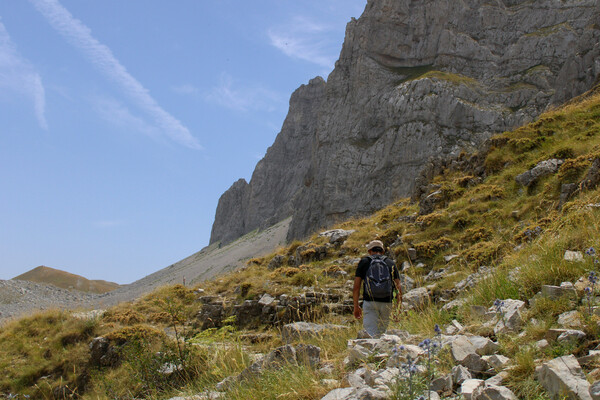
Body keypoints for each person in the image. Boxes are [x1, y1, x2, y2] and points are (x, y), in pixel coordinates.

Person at [353, 240, 402, 337]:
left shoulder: (364, 262)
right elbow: (398, 287)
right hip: (387, 303)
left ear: (370, 251)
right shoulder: (390, 263)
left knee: (370, 334)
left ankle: (371, 350)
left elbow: (356, 286)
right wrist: (398, 308)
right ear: (383, 251)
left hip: (370, 302)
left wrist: (356, 306)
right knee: (382, 334)